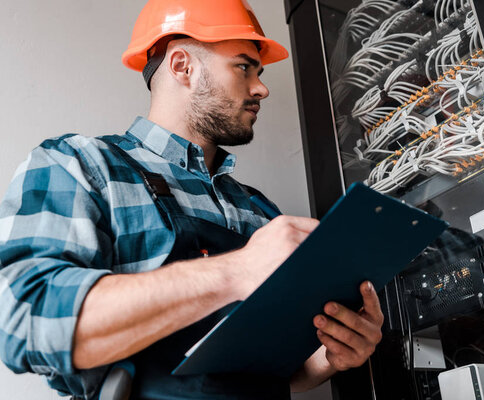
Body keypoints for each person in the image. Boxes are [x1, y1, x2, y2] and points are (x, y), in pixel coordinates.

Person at [0, 0, 384, 399]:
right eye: (243, 66)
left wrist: (330, 355)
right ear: (183, 66)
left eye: (259, 71)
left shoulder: (260, 212)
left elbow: (269, 375)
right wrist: (234, 272)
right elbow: (25, 321)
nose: (262, 88)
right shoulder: (82, 166)